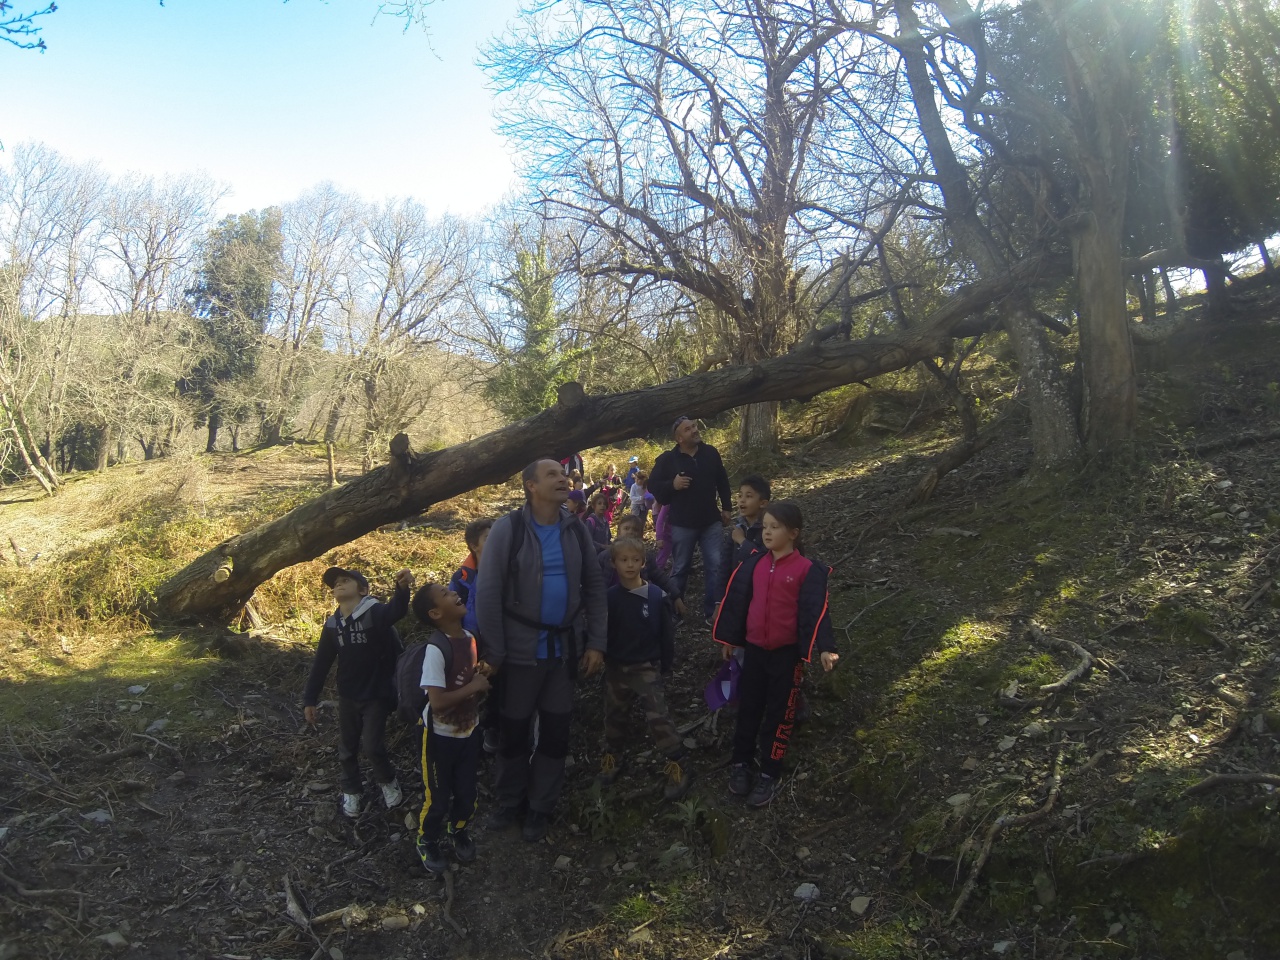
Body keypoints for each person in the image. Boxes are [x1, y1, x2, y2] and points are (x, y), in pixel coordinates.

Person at [475, 459, 607, 842]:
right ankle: (508, 802)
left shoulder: (575, 529)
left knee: (555, 732)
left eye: (563, 474)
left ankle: (540, 808)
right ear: (530, 485)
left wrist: (596, 642)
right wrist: (495, 651)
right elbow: (488, 593)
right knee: (513, 731)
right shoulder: (509, 529)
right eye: (552, 474)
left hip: (563, 651)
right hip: (519, 654)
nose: (563, 479)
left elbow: (594, 588)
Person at [711, 501, 838, 808]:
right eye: (765, 527)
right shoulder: (754, 564)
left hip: (786, 656)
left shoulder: (806, 570)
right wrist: (730, 639)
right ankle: (741, 763)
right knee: (748, 708)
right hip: (754, 650)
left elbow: (816, 611)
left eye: (774, 527)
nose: (767, 532)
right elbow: (740, 603)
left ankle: (769, 771)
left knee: (780, 713)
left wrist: (826, 647)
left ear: (793, 533)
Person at [303, 565, 413, 818]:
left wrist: (403, 588)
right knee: (347, 747)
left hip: (376, 693)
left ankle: (387, 781)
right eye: (335, 583)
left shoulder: (374, 612)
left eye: (345, 581)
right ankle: (352, 790)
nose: (338, 585)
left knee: (373, 746)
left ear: (362, 589)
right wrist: (310, 699)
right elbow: (322, 662)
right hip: (348, 695)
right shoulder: (333, 624)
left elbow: (396, 610)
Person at [598, 538, 690, 801]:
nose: (629, 565)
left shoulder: (655, 596)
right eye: (623, 560)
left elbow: (666, 635)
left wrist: (666, 663)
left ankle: (677, 762)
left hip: (646, 667)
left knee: (658, 716)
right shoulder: (609, 598)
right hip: (616, 666)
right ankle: (613, 755)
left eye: (634, 560)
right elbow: (602, 631)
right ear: (614, 564)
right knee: (614, 713)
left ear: (643, 562)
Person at [411, 583, 491, 875]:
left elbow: (464, 678)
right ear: (435, 613)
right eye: (445, 595)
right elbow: (438, 701)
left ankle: (458, 830)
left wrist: (480, 674)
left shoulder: (469, 638)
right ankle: (427, 839)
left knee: (467, 791)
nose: (454, 593)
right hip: (438, 737)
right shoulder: (436, 648)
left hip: (468, 732)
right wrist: (474, 685)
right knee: (438, 795)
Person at [648, 416, 733, 624]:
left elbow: (722, 480)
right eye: (688, 429)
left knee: (715, 565)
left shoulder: (710, 453)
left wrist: (727, 507)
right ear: (679, 438)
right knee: (680, 568)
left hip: (710, 520)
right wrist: (673, 485)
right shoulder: (668, 459)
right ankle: (675, 611)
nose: (694, 430)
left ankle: (713, 613)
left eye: (694, 426)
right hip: (681, 523)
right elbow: (653, 485)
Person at [600, 514, 687, 619]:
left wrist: (676, 596)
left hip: (637, 602)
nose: (630, 532)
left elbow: (660, 577)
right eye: (626, 528)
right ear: (618, 532)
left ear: (641, 535)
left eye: (635, 529)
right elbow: (593, 581)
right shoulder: (606, 556)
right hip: (609, 604)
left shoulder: (646, 557)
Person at [449, 518, 492, 637]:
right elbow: (451, 616)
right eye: (488, 539)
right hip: (473, 645)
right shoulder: (461, 579)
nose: (495, 542)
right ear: (474, 546)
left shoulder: (508, 571)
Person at [723, 474, 770, 574]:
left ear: (763, 503)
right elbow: (724, 566)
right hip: (736, 587)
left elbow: (764, 561)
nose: (742, 500)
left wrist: (742, 541)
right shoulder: (737, 529)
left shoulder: (768, 530)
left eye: (748, 496)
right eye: (740, 495)